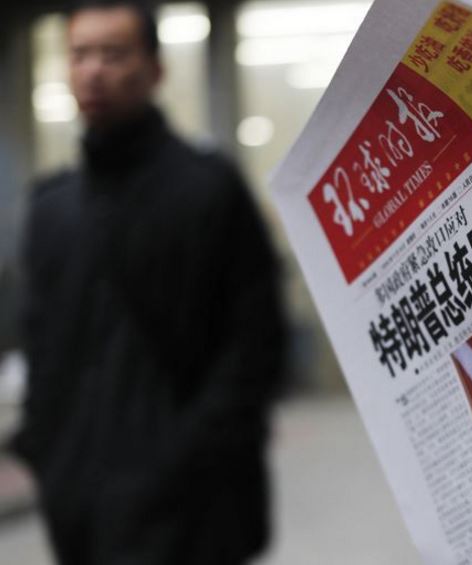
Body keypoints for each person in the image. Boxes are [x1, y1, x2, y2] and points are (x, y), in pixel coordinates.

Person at [11, 1, 286, 563]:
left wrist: (184, 460)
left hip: (191, 512)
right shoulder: (52, 207)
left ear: (155, 70)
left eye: (113, 54)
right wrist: (45, 451)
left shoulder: (208, 190)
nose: (93, 71)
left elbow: (255, 344)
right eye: (80, 55)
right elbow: (40, 341)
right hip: (80, 505)